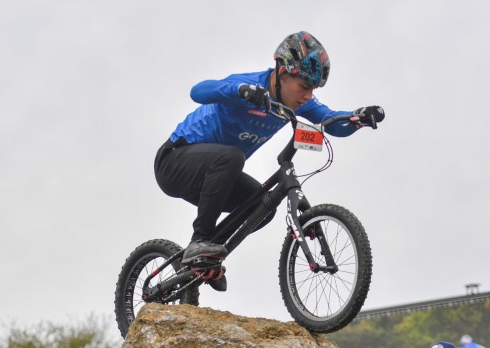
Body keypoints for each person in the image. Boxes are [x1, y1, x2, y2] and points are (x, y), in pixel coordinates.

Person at [154, 31, 384, 291]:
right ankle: (200, 240)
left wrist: (357, 118)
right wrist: (240, 91)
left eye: (313, 89)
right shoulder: (252, 85)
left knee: (262, 208)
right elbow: (198, 92)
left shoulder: (298, 103)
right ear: (283, 73)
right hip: (174, 161)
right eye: (305, 86)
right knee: (232, 156)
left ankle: (206, 257)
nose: (308, 96)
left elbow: (331, 121)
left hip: (214, 176)